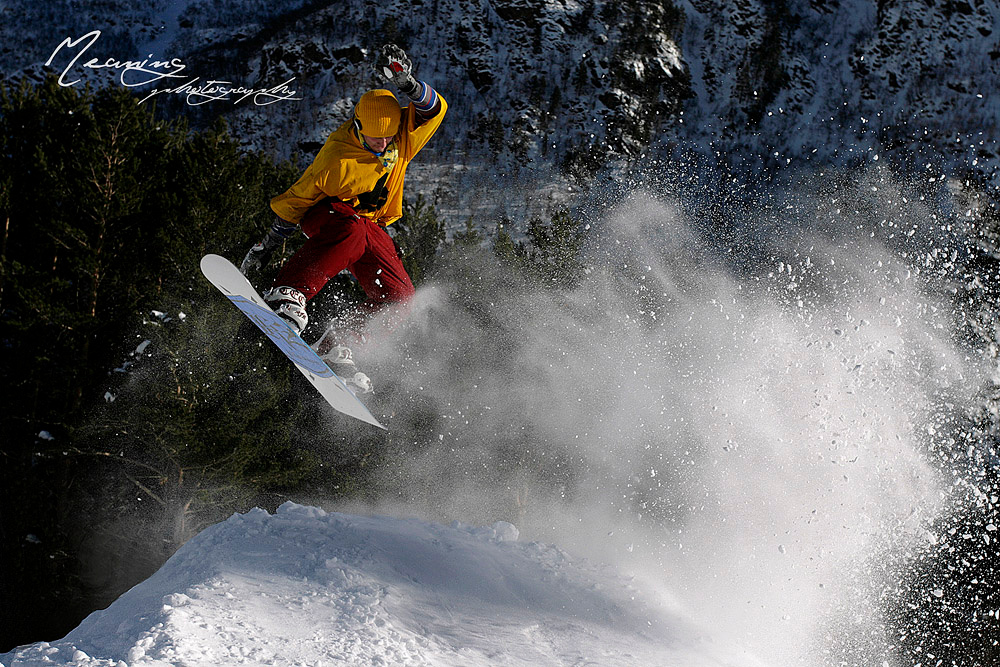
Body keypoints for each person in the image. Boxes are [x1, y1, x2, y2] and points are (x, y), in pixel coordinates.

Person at [240, 44, 447, 394]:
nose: (383, 142)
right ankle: (289, 294)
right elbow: (299, 197)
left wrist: (409, 85)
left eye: (388, 136)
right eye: (375, 136)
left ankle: (338, 344)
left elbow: (435, 110)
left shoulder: (401, 138)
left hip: (370, 225)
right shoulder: (337, 155)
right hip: (328, 217)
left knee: (401, 295)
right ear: (358, 125)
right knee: (352, 229)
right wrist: (269, 243)